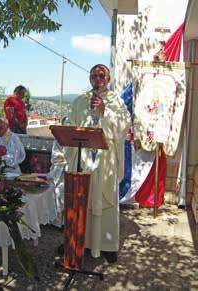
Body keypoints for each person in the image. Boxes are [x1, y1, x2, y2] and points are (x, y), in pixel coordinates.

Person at [64, 64, 131, 263]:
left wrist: (104, 111)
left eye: (102, 75)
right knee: (82, 201)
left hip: (104, 161)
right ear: (90, 78)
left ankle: (107, 246)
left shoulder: (116, 101)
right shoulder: (80, 101)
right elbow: (70, 125)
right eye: (94, 75)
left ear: (108, 79)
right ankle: (82, 243)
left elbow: (123, 128)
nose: (98, 78)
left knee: (104, 203)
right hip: (83, 159)